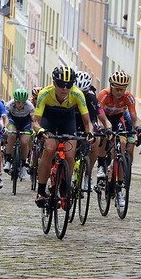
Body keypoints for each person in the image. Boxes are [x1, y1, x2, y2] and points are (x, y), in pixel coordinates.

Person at [33, 66, 94, 208]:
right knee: (49, 149)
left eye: (69, 85)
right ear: (54, 83)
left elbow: (87, 121)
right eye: (61, 84)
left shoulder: (77, 94)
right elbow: (35, 121)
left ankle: (65, 188)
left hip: (67, 120)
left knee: (69, 155)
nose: (65, 88)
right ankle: (41, 191)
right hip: (49, 119)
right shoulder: (44, 94)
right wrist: (40, 130)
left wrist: (89, 132)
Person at [97, 71, 141, 206]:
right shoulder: (103, 94)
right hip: (104, 118)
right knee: (105, 136)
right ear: (111, 86)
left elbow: (134, 118)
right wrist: (103, 126)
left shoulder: (128, 97)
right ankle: (101, 166)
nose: (119, 92)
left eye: (122, 89)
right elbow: (98, 113)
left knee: (121, 152)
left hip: (118, 119)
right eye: (117, 88)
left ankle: (119, 189)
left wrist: (138, 128)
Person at [73, 71, 112, 181]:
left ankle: (87, 175)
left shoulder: (91, 97)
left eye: (83, 92)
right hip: (72, 118)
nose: (80, 95)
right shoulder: (68, 94)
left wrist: (108, 128)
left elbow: (103, 118)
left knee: (96, 140)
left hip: (89, 119)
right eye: (77, 92)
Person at [3, 89, 35, 180]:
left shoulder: (29, 106)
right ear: (14, 100)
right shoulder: (10, 105)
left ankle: (24, 165)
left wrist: (32, 130)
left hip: (25, 122)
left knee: (24, 142)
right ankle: (8, 160)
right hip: (13, 120)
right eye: (18, 102)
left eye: (23, 102)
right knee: (11, 135)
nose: (21, 105)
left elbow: (34, 120)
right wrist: (5, 127)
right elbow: (5, 118)